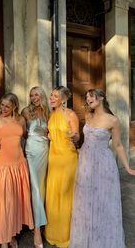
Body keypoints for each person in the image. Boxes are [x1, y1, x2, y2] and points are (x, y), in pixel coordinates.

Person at [69, 89, 135, 248]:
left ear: (101, 98)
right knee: (85, 202)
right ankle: (86, 240)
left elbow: (118, 145)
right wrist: (73, 139)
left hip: (104, 165)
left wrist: (128, 167)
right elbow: (84, 140)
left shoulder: (113, 120)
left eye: (91, 96)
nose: (88, 99)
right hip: (85, 163)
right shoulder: (88, 116)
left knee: (103, 202)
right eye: (86, 97)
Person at [0, 92, 34, 248]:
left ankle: (12, 234)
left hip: (19, 164)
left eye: (7, 106)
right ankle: (4, 239)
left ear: (15, 106)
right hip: (4, 166)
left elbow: (27, 137)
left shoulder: (21, 120)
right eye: (1, 105)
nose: (3, 108)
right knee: (4, 203)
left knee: (15, 202)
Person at [44, 86, 79, 248]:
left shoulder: (70, 114)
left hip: (67, 158)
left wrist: (74, 136)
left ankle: (65, 235)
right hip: (53, 158)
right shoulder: (51, 114)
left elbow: (77, 137)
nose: (51, 98)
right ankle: (53, 233)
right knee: (53, 194)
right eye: (51, 95)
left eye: (55, 96)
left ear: (63, 99)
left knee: (65, 195)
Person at [21, 86, 50, 248]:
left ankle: (38, 220)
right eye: (31, 95)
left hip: (45, 152)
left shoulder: (48, 112)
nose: (34, 98)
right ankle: (37, 230)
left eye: (36, 95)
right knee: (35, 189)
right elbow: (20, 132)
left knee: (41, 187)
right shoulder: (26, 112)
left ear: (42, 96)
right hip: (31, 151)